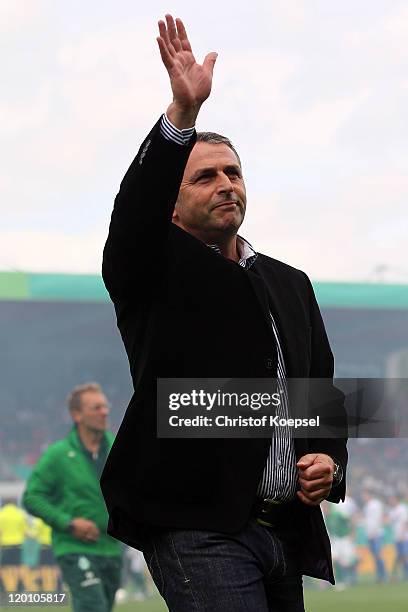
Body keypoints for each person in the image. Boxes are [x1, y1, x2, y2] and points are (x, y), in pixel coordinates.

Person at [101, 14, 348, 611]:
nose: (225, 185)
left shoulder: (291, 283)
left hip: (283, 526)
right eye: (204, 177)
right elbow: (133, 216)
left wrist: (329, 461)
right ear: (173, 203)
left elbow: (319, 394)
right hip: (195, 526)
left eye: (233, 173)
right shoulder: (151, 267)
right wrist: (180, 119)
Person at [22, 383, 122, 612]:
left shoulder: (119, 447)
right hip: (74, 547)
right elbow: (32, 497)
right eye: (96, 408)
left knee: (103, 608)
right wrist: (68, 523)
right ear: (77, 415)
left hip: (112, 548)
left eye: (105, 406)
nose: (104, 412)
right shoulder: (58, 455)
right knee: (93, 607)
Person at [361, 490, 386, 582]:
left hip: (376, 534)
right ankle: (380, 575)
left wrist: (374, 532)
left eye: (364, 495)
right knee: (375, 556)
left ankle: (383, 575)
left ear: (369, 495)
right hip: (370, 534)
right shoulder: (367, 506)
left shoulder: (375, 505)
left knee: (378, 555)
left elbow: (377, 519)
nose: (363, 497)